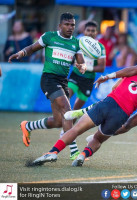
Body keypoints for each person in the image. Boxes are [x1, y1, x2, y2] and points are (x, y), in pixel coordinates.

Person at [32, 71, 137, 166]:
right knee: (98, 139)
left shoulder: (132, 73)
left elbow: (114, 88)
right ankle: (82, 155)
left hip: (108, 103)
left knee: (76, 129)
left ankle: (53, 152)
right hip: (121, 116)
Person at [8, 13, 86, 158]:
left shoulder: (76, 43)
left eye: (72, 25)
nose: (70, 27)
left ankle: (28, 126)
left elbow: (81, 63)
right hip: (49, 79)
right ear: (60, 25)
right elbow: (32, 48)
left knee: (58, 121)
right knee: (67, 110)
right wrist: (20, 53)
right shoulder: (49, 36)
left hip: (63, 81)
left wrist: (82, 67)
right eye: (67, 24)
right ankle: (74, 151)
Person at [67, 21, 106, 159]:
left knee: (77, 110)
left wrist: (86, 67)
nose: (90, 32)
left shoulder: (100, 47)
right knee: (67, 99)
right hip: (75, 76)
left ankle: (67, 131)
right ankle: (66, 131)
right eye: (88, 30)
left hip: (88, 80)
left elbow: (101, 68)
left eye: (93, 31)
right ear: (84, 31)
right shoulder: (78, 43)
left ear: (96, 33)